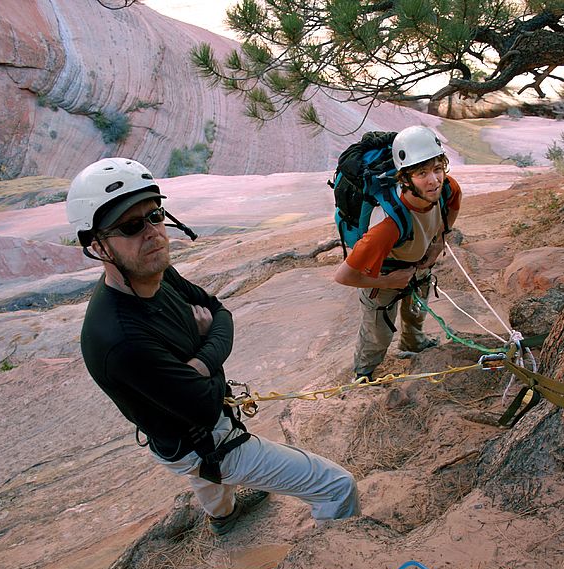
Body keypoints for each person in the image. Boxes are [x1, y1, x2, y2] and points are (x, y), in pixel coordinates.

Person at [67, 157, 359, 536]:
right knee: (336, 486)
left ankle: (223, 517)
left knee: (208, 478)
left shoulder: (155, 270)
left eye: (155, 215)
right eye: (131, 225)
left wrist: (200, 361)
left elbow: (220, 312)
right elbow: (205, 406)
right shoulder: (119, 339)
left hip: (180, 436)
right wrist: (207, 348)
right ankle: (330, 564)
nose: (153, 232)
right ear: (98, 246)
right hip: (203, 440)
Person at [334, 126, 462, 382]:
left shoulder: (447, 188)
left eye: (437, 169)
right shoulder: (387, 226)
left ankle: (413, 343)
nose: (434, 180)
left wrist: (438, 242)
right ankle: (364, 373)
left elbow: (452, 206)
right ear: (404, 178)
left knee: (416, 309)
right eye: (422, 173)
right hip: (384, 275)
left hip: (418, 264)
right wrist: (386, 282)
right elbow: (344, 276)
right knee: (378, 331)